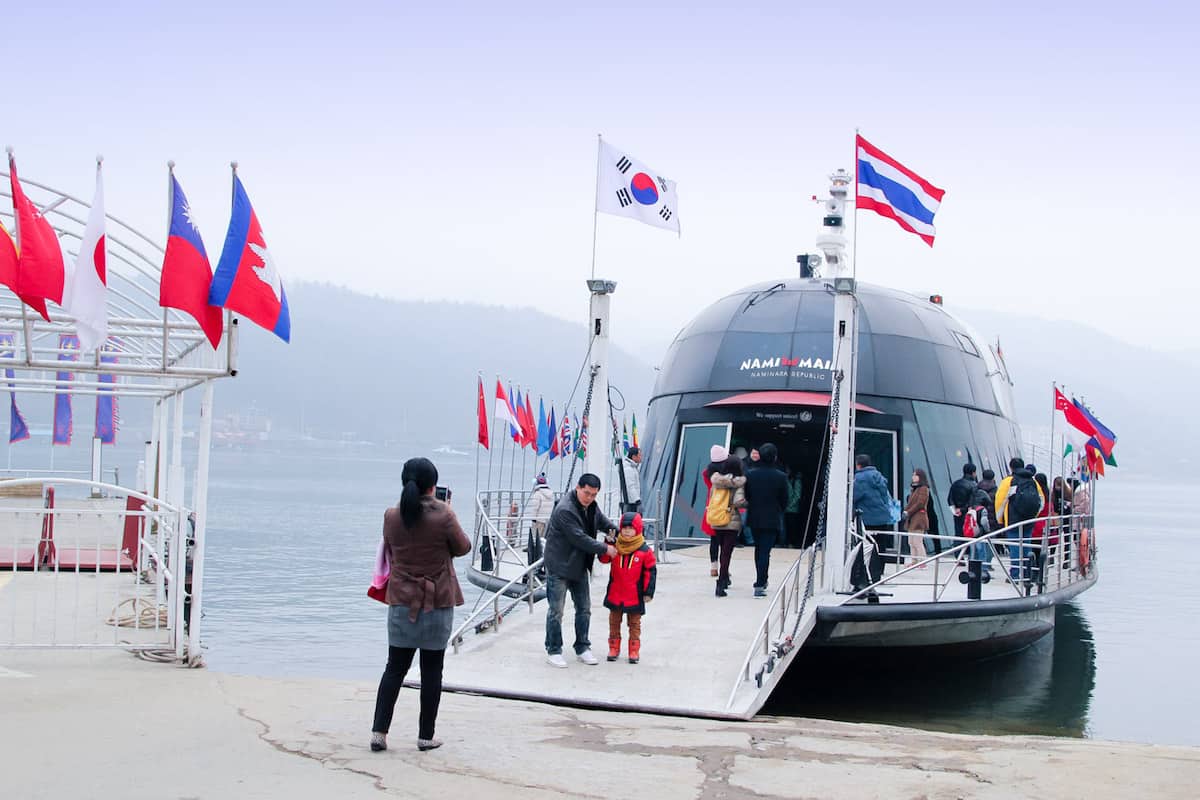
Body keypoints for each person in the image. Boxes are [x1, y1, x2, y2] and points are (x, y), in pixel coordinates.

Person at [371, 457, 471, 753]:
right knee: (431, 671)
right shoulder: (443, 515)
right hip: (437, 602)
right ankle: (425, 737)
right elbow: (463, 547)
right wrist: (448, 509)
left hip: (401, 601)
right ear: (433, 485)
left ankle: (379, 733)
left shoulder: (391, 515)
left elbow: (391, 545)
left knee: (394, 668)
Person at [542, 473, 618, 668]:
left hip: (579, 565)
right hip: (559, 565)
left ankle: (583, 646)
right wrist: (605, 549)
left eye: (594, 495)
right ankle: (554, 649)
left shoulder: (591, 506)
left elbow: (602, 522)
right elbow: (579, 538)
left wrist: (616, 532)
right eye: (587, 493)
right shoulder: (565, 510)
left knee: (584, 608)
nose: (590, 498)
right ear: (578, 488)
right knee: (556, 610)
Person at [598, 512, 657, 663]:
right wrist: (607, 543)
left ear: (638, 529)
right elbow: (604, 559)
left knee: (635, 624)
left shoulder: (644, 551)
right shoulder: (616, 546)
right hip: (616, 593)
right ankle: (613, 647)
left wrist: (648, 592)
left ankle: (634, 650)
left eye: (631, 528)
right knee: (614, 622)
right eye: (624, 528)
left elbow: (650, 571)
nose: (627, 531)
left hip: (634, 595)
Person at [744, 443, 789, 597]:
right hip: (772, 517)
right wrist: (778, 510)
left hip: (755, 516)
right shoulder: (781, 477)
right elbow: (785, 500)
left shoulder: (750, 474)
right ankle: (761, 582)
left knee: (758, 549)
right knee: (765, 551)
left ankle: (760, 580)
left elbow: (747, 496)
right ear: (775, 457)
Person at [851, 454, 893, 589]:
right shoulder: (879, 476)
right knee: (881, 545)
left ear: (858, 464)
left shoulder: (860, 478)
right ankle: (879, 572)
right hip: (883, 517)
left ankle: (868, 574)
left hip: (868, 518)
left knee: (866, 546)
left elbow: (855, 496)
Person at [708, 456, 747, 597]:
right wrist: (747, 504)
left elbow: (713, 498)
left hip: (717, 519)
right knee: (726, 553)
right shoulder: (738, 483)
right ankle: (721, 582)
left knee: (721, 549)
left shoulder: (716, 481)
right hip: (731, 520)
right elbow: (738, 502)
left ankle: (725, 578)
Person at [701, 445, 728, 577]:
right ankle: (724, 568)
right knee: (725, 542)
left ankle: (713, 567)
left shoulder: (707, 473)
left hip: (711, 507)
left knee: (714, 540)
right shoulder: (728, 474)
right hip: (724, 508)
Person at [522, 474, 555, 565]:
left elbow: (535, 508)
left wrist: (533, 518)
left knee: (537, 537)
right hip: (547, 519)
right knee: (544, 537)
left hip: (539, 518)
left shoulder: (538, 494)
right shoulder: (551, 493)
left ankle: (535, 553)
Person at [902, 469, 931, 567]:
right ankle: (914, 561)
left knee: (917, 541)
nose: (913, 477)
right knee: (911, 541)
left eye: (915, 475)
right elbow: (911, 503)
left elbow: (920, 503)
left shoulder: (923, 488)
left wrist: (908, 512)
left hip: (919, 518)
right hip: (911, 518)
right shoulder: (914, 489)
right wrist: (905, 511)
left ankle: (922, 562)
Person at [947, 463, 979, 543]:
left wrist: (955, 510)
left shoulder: (955, 483)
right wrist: (962, 509)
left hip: (957, 514)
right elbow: (972, 502)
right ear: (973, 473)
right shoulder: (974, 485)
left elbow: (949, 499)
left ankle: (958, 554)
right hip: (968, 513)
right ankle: (970, 554)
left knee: (958, 534)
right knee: (970, 535)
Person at [618, 447, 643, 513]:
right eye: (639, 455)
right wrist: (637, 501)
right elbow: (630, 486)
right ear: (634, 457)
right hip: (630, 504)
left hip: (632, 502)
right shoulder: (628, 469)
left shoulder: (633, 468)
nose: (641, 457)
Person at [784, 469, 804, 549]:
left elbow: (798, 495)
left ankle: (792, 543)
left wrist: (790, 505)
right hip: (786, 508)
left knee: (792, 527)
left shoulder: (796, 481)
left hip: (793, 509)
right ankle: (787, 542)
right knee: (787, 527)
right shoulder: (787, 480)